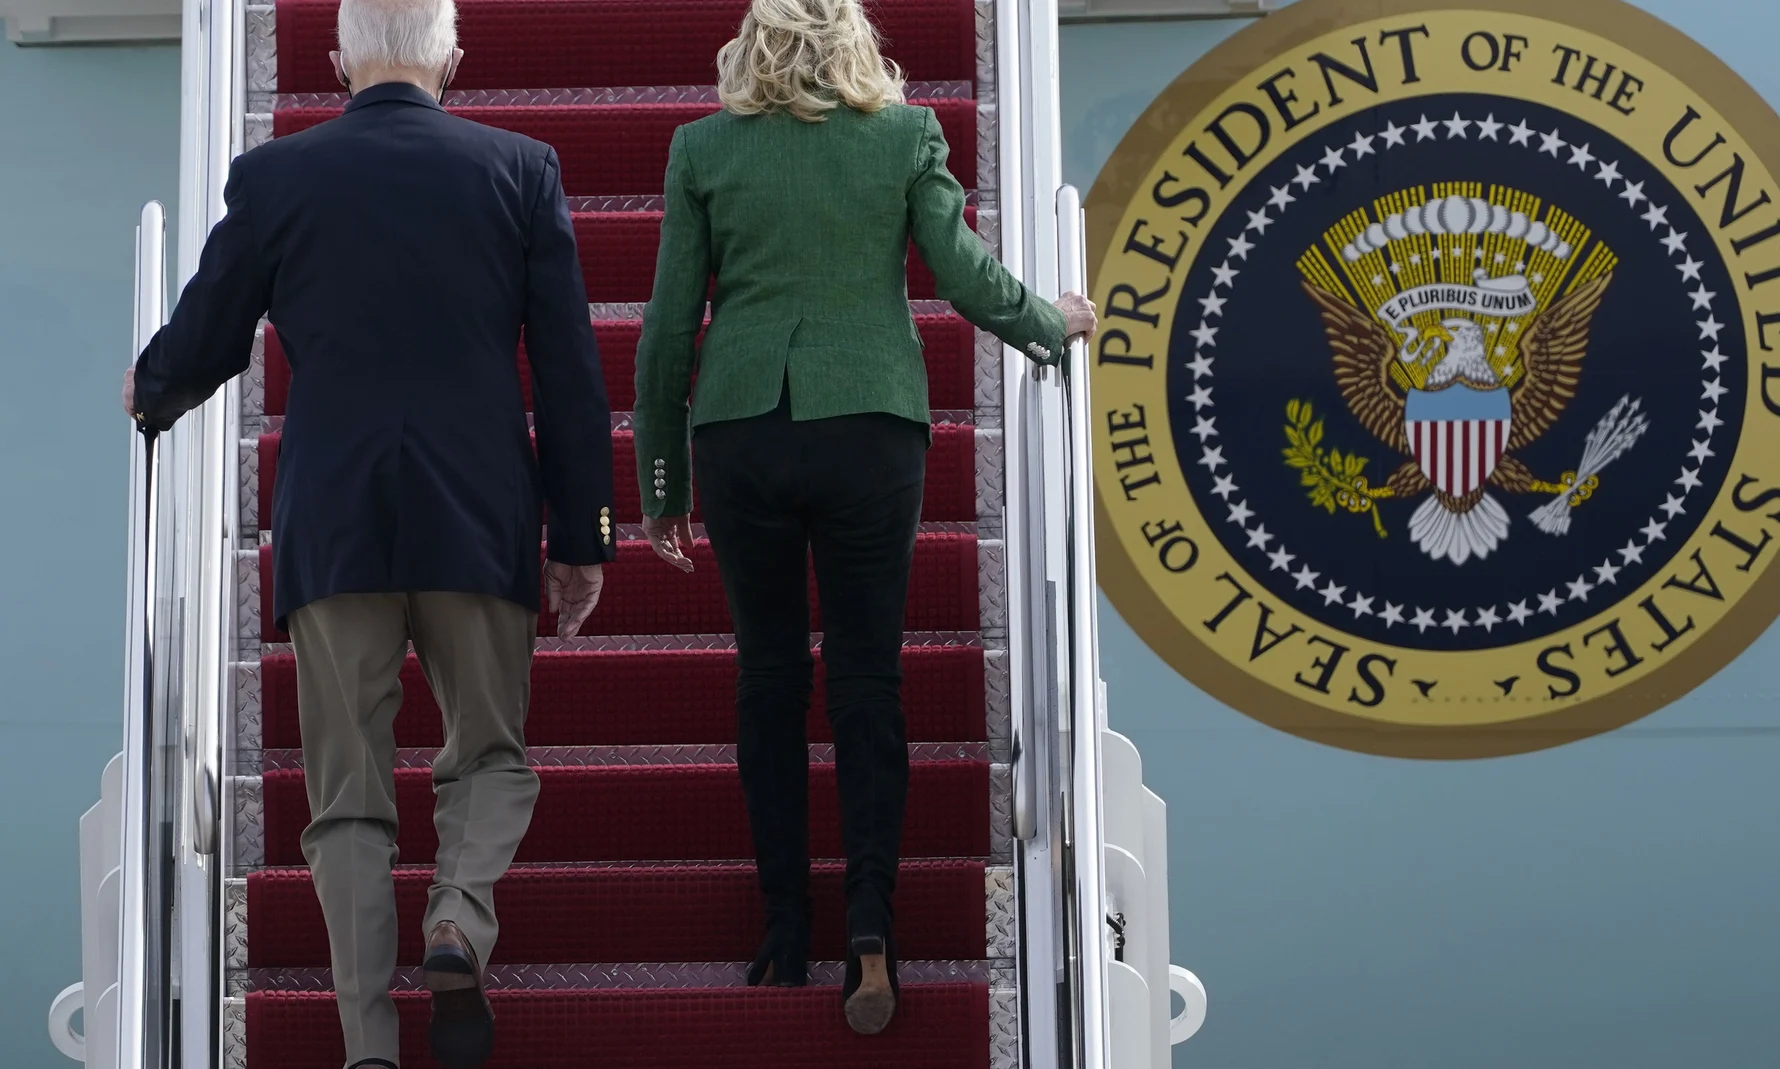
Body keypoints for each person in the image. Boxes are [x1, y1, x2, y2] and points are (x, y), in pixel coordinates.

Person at [121, 0, 615, 1063]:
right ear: (454, 61)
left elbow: (209, 331)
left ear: (339, 59)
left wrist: (151, 390)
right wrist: (582, 537)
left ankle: (368, 1046)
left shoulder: (277, 178)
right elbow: (572, 375)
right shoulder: (519, 169)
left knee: (345, 796)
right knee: (488, 753)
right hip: (477, 514)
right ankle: (458, 919)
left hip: (334, 523)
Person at [633, 0, 1098, 1037]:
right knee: (866, 678)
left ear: (751, 46)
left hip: (744, 430)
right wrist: (1047, 323)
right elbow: (960, 272)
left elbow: (668, 327)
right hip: (871, 427)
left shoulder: (701, 147)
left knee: (768, 679)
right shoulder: (904, 132)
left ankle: (784, 926)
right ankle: (871, 927)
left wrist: (660, 480)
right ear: (855, 42)